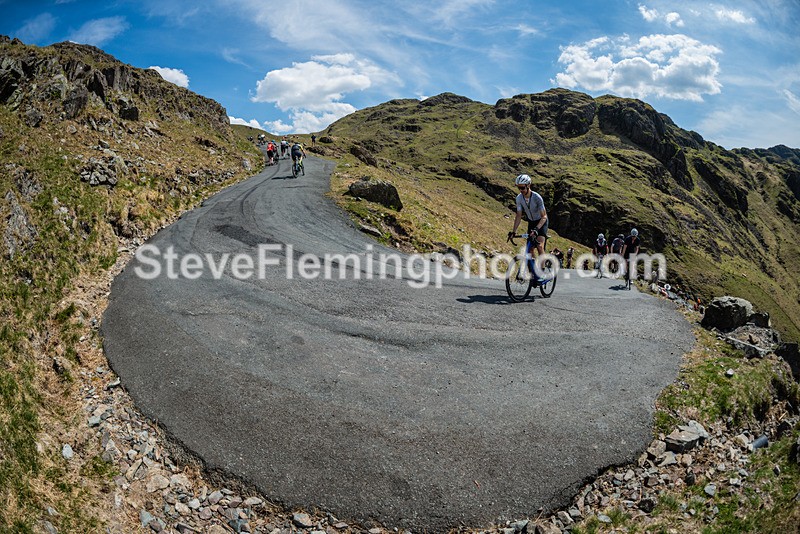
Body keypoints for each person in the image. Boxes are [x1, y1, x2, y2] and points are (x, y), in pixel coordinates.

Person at [508, 174, 548, 280]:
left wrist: (536, 229)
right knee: (529, 249)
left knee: (539, 246)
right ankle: (533, 271)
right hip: (531, 222)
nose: (520, 190)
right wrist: (513, 231)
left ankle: (542, 273)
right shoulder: (519, 198)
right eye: (518, 187)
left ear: (528, 185)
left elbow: (544, 216)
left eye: (522, 187)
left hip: (541, 222)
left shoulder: (537, 197)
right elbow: (519, 215)